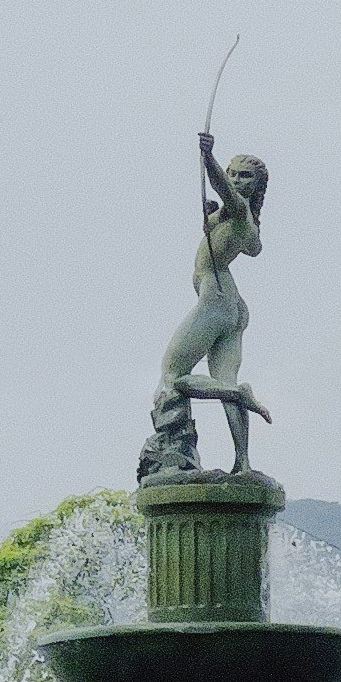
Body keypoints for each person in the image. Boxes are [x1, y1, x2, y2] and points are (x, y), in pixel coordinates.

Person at [144, 134, 269, 478]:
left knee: (173, 376)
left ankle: (238, 393)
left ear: (257, 187)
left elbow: (222, 191)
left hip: (216, 296)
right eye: (232, 172)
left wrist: (209, 158)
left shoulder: (240, 209)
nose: (235, 180)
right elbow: (229, 228)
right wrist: (211, 216)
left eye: (245, 176)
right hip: (232, 303)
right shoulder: (241, 220)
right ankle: (243, 463)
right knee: (224, 374)